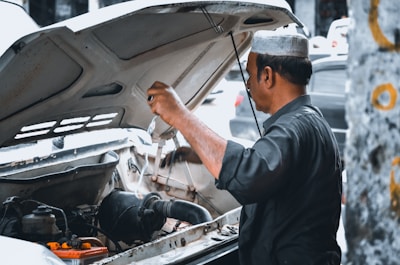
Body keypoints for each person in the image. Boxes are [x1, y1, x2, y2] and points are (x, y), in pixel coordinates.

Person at [147, 30, 343, 265]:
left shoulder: (292, 129)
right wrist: (198, 154)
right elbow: (265, 163)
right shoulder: (311, 121)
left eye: (250, 75)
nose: (248, 84)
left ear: (268, 76)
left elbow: (247, 176)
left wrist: (179, 115)